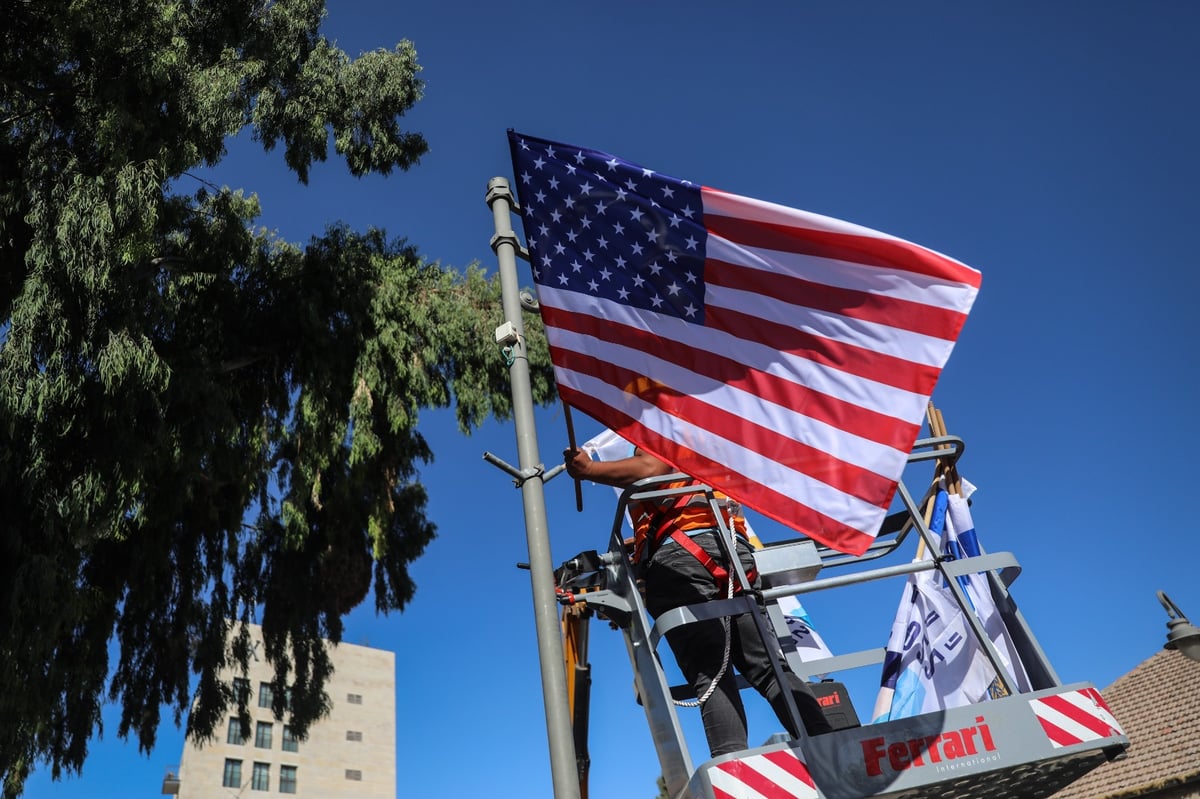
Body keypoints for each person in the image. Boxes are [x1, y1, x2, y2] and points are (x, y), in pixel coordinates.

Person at [564, 444, 832, 757]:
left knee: (711, 674)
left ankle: (733, 772)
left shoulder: (655, 423)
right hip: (730, 550)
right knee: (769, 669)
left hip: (684, 555)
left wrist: (590, 470)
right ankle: (831, 752)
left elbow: (652, 468)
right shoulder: (703, 433)